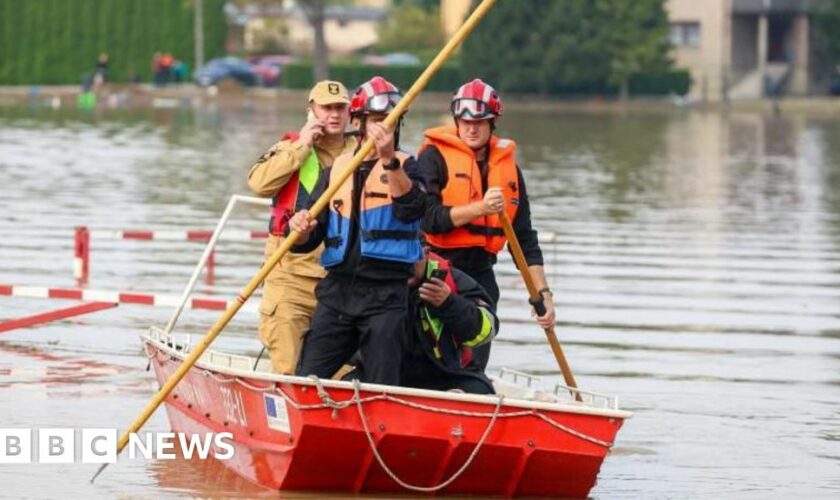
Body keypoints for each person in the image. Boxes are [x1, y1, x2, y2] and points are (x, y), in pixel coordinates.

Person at [289, 76, 426, 385]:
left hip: (386, 296)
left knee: (382, 385)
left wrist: (389, 159)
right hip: (338, 292)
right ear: (359, 122)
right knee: (307, 380)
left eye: (390, 121)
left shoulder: (408, 166)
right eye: (377, 121)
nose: (384, 129)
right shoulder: (335, 170)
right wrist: (299, 229)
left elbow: (413, 210)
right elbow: (309, 237)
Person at [418, 78, 555, 370]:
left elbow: (525, 240)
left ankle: (472, 392)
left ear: (492, 123)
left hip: (481, 275)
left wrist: (542, 294)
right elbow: (429, 219)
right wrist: (479, 208)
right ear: (456, 120)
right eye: (464, 121)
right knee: (433, 357)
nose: (471, 128)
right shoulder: (433, 158)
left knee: (473, 359)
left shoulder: (509, 171)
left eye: (479, 122)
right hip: (438, 270)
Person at [247, 80, 356, 374]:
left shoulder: (363, 150)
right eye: (326, 108)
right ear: (311, 111)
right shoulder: (291, 147)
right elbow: (258, 184)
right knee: (287, 367)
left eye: (340, 108)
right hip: (290, 278)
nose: (333, 115)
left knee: (344, 374)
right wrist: (302, 146)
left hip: (341, 282)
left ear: (350, 112)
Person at [400, 247, 498, 394]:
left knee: (480, 389)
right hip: (388, 371)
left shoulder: (453, 280)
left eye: (413, 258)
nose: (407, 266)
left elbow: (488, 329)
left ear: (426, 253)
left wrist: (450, 304)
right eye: (399, 259)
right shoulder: (370, 279)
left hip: (444, 373)